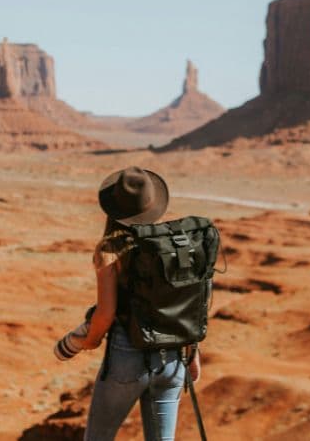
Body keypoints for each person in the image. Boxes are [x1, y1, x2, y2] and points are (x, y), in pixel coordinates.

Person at [82, 166, 200, 441]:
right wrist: (193, 353)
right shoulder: (173, 247)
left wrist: (86, 340)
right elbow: (187, 306)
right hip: (172, 359)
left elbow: (106, 313)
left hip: (127, 358)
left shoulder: (110, 250)